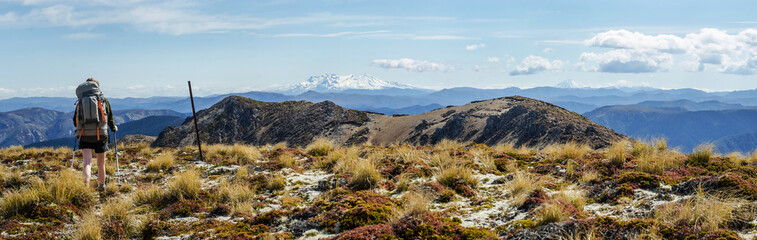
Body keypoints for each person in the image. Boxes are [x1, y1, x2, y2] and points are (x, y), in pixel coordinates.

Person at [73, 78, 117, 189]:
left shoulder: (81, 101)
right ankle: (101, 186)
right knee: (101, 164)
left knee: (87, 163)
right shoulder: (103, 100)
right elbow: (110, 118)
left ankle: (85, 186)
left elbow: (75, 120)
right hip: (100, 135)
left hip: (84, 135)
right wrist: (113, 128)